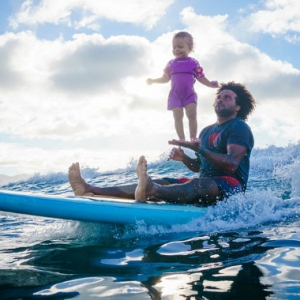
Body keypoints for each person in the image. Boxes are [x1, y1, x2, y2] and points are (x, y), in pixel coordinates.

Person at [69, 81, 256, 206]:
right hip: (207, 184)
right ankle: (91, 190)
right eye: (219, 97)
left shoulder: (239, 127)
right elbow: (201, 166)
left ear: (238, 107)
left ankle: (151, 190)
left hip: (231, 188)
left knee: (198, 184)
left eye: (227, 98)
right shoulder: (206, 131)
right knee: (164, 181)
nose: (220, 100)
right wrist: (184, 159)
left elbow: (231, 165)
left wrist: (202, 150)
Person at [146, 31, 219, 142]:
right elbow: (165, 78)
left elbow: (200, 77)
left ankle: (193, 137)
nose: (176, 50)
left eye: (180, 47)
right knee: (177, 116)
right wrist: (153, 81)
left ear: (190, 48)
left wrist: (209, 84)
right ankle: (182, 138)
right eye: (174, 47)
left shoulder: (193, 63)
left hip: (189, 94)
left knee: (192, 115)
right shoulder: (171, 64)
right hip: (175, 95)